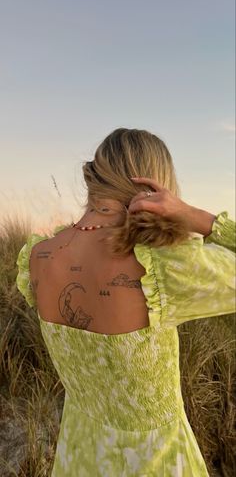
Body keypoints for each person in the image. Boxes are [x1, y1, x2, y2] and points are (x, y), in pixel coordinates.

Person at [16, 128, 235, 476]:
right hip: (157, 463)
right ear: (156, 187)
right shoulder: (162, 267)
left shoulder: (39, 257)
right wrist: (196, 217)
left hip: (79, 457)